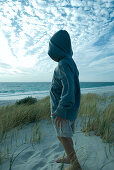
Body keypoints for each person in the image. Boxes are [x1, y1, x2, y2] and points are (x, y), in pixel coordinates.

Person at [48, 30, 81, 170]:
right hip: (69, 110)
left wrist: (61, 110)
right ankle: (70, 157)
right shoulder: (70, 62)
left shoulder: (63, 64)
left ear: (57, 48)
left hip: (63, 111)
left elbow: (69, 88)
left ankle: (75, 165)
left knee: (64, 138)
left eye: (51, 46)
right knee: (63, 136)